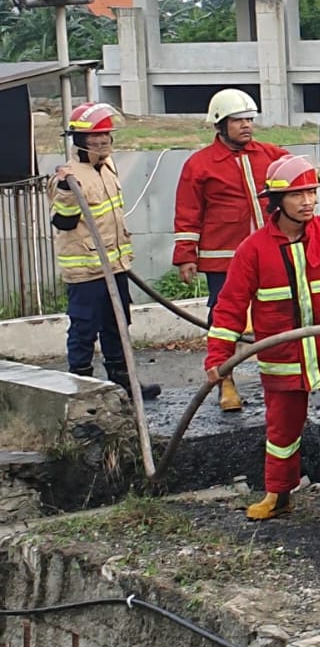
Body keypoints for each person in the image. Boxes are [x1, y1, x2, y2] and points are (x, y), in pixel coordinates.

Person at [205, 155, 320, 524]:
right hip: (283, 360)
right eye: (298, 194)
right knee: (282, 433)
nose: (308, 201)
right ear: (276, 201)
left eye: (311, 192)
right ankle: (279, 495)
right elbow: (229, 308)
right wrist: (218, 358)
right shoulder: (253, 250)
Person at [173, 88, 289, 413]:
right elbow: (187, 213)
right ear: (220, 125)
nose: (246, 126)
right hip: (223, 260)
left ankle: (282, 383)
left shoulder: (270, 155)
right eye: (238, 121)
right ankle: (226, 380)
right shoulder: (199, 165)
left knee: (278, 315)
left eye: (249, 119)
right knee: (224, 322)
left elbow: (296, 175)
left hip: (269, 255)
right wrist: (186, 256)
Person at [50, 103, 161, 401]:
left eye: (106, 138)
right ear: (80, 141)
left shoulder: (108, 167)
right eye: (95, 139)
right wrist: (64, 190)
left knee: (118, 325)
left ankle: (123, 383)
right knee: (84, 329)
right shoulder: (68, 176)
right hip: (86, 270)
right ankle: (80, 388)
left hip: (116, 267)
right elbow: (62, 221)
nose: (102, 144)